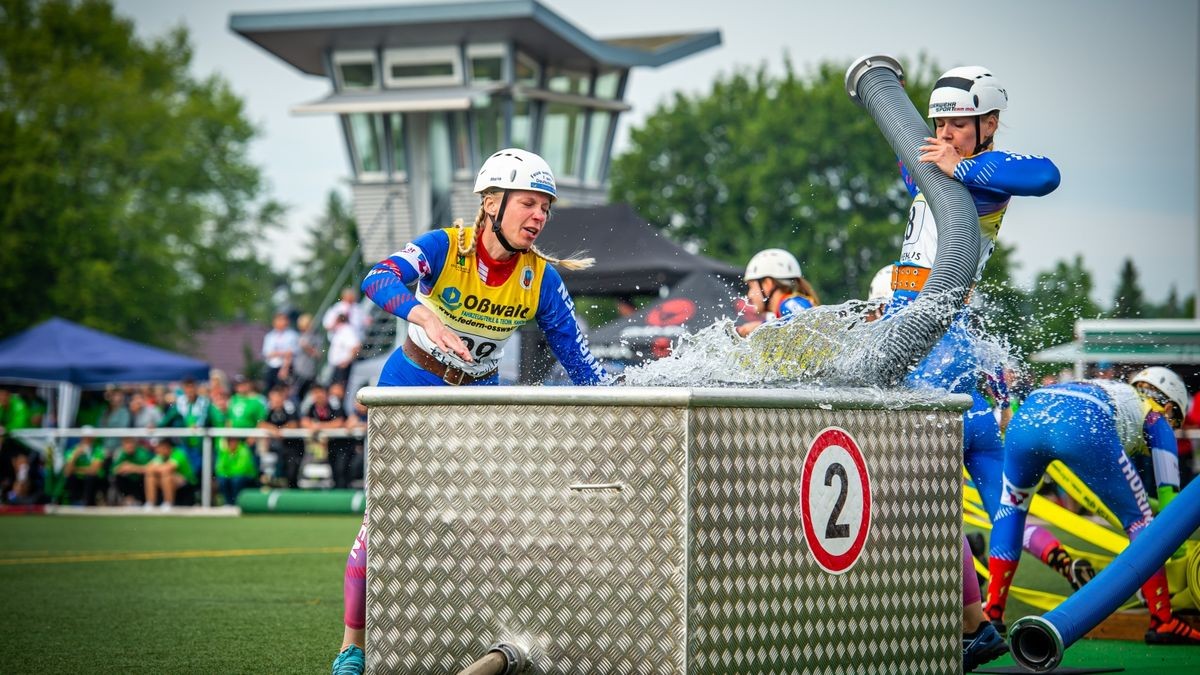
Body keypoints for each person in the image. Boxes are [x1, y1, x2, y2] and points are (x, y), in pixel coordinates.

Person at [330, 148, 609, 674]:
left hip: (477, 407)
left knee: (486, 528)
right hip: (408, 392)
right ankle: (352, 647)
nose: (539, 217)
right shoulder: (444, 246)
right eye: (528, 203)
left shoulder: (542, 278)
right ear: (491, 203)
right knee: (380, 527)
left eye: (545, 208)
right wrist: (425, 318)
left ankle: (469, 632)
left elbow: (582, 365)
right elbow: (376, 278)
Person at [884, 66, 1060, 672]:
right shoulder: (932, 159)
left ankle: (983, 617)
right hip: (940, 341)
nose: (946, 134)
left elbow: (1046, 174)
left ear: (987, 125)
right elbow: (910, 164)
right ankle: (983, 621)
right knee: (969, 490)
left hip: (937, 345)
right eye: (940, 123)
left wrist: (967, 166)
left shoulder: (986, 170)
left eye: (959, 124)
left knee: (937, 497)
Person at [984, 367, 1200, 644]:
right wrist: (1179, 555)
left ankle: (992, 613)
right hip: (1084, 421)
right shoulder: (1156, 414)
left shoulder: (1111, 389)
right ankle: (1163, 620)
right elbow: (1172, 508)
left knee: (1011, 510)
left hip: (1028, 417)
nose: (1174, 430)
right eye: (1176, 423)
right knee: (1142, 522)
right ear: (1169, 406)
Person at [735, 248, 819, 337]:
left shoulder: (789, 304)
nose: (749, 295)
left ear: (768, 284)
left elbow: (805, 325)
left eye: (751, 286)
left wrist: (760, 327)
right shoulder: (784, 310)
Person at [259, 385, 302, 489]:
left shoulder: (289, 406)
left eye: (278, 397)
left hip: (293, 447)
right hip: (278, 447)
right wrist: (275, 430)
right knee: (276, 474)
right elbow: (261, 423)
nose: (276, 400)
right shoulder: (269, 408)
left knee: (291, 474)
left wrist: (281, 430)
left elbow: (294, 424)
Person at [143, 437, 197, 510]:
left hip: (187, 485)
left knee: (166, 475)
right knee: (150, 476)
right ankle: (150, 503)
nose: (156, 450)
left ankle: (168, 503)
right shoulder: (160, 456)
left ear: (166, 446)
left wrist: (155, 468)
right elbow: (148, 469)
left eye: (158, 447)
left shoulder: (178, 453)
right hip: (170, 482)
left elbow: (167, 469)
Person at [63, 427, 107, 506]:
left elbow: (93, 470)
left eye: (89, 437)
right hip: (78, 479)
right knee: (71, 478)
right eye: (85, 437)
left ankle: (88, 503)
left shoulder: (98, 450)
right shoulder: (73, 450)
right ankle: (75, 502)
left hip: (95, 480)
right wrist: (75, 456)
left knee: (90, 478)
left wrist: (76, 469)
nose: (87, 439)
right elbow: (67, 472)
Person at [261, 311, 298, 394]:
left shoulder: (292, 335)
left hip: (286, 367)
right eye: (278, 320)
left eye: (282, 320)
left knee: (284, 391)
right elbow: (267, 353)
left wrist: (285, 368)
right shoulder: (270, 336)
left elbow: (290, 353)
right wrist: (283, 353)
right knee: (270, 391)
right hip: (272, 367)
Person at [110, 436, 153, 506]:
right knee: (118, 477)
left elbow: (149, 468)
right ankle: (128, 500)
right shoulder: (121, 453)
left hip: (140, 481)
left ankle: (143, 501)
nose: (129, 446)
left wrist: (132, 468)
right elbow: (113, 470)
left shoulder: (141, 452)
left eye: (130, 443)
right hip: (128, 481)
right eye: (126, 443)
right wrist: (121, 468)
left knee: (148, 477)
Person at [326, 313, 361, 388]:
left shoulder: (347, 331)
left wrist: (347, 361)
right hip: (337, 367)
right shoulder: (340, 331)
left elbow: (356, 347)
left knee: (338, 391)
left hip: (342, 368)